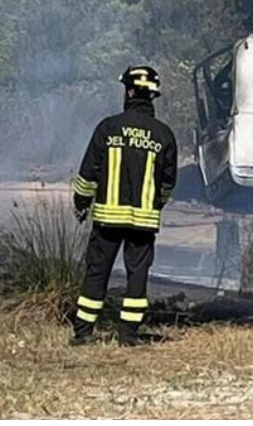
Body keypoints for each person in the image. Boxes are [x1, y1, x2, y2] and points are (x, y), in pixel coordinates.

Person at [70, 65, 178, 346]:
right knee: (137, 275)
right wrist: (155, 205)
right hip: (143, 221)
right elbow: (168, 182)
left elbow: (88, 172)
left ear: (128, 91)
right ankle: (128, 335)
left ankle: (83, 334)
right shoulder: (163, 135)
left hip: (107, 218)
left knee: (97, 271)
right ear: (153, 96)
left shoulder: (108, 127)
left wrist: (81, 202)